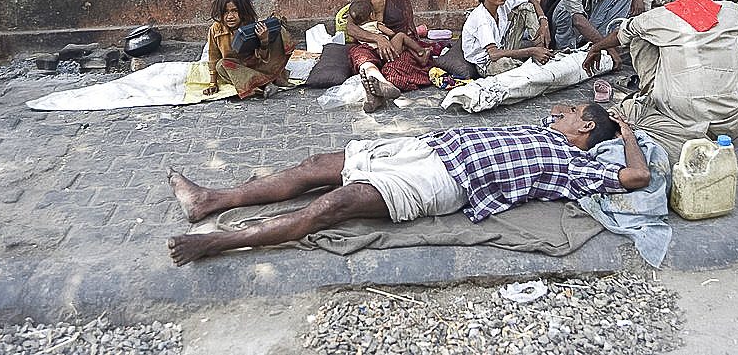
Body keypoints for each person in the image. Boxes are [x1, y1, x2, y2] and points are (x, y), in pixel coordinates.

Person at [166, 102, 651, 266]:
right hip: (426, 146)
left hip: (447, 179)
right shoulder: (545, 129)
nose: (559, 112)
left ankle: (218, 243)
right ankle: (211, 200)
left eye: (569, 112)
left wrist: (626, 131)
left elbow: (638, 176)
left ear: (586, 127)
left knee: (338, 204)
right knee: (317, 163)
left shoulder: (574, 164)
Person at [581, 0, 738, 161]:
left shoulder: (658, 17)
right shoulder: (733, 12)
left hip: (679, 118)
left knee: (639, 35)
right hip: (732, 122)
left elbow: (620, 34)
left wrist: (595, 47)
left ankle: (652, 96)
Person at [345, 0, 432, 113]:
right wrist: (378, 38)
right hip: (372, 44)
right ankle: (379, 85)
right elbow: (351, 27)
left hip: (399, 45)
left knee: (394, 71)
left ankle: (378, 91)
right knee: (360, 56)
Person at [203, 0, 294, 99]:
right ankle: (265, 85)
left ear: (242, 10)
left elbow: (262, 57)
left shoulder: (250, 25)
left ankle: (272, 78)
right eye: (226, 12)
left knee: (279, 30)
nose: (230, 16)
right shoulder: (215, 30)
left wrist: (264, 40)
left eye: (235, 11)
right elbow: (213, 58)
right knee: (221, 65)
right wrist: (213, 83)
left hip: (256, 65)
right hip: (238, 69)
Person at [461, 0, 553, 76]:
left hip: (503, 48)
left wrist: (543, 21)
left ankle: (542, 52)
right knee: (508, 66)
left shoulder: (502, 5)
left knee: (526, 7)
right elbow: (493, 54)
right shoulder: (481, 18)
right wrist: (531, 51)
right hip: (488, 63)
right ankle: (533, 59)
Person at [348, 0, 430, 67]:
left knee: (405, 46)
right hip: (387, 52)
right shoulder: (375, 24)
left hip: (376, 55)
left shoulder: (358, 29)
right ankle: (420, 51)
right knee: (401, 36)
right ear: (372, 15)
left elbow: (352, 40)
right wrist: (391, 34)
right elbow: (391, 33)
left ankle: (421, 60)